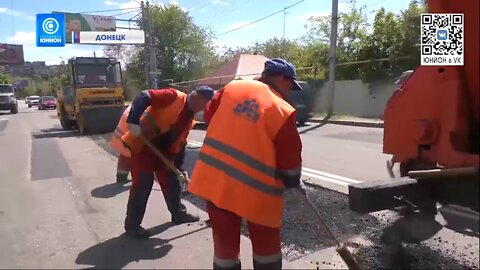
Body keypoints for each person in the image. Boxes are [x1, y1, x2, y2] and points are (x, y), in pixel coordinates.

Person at [188, 58, 304, 270]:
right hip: (257, 192)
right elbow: (290, 156)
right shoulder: (282, 109)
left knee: (225, 249)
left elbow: (210, 115)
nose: (290, 90)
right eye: (290, 84)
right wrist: (293, 181)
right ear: (281, 78)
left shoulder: (233, 87)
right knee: (266, 248)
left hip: (216, 183)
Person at [121, 85, 214, 238]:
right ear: (197, 97)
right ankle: (132, 225)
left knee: (172, 181)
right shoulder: (173, 96)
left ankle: (178, 214)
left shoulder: (189, 117)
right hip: (144, 146)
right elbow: (144, 96)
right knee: (143, 184)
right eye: (204, 105)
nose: (202, 109)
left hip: (164, 153)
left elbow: (180, 142)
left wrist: (178, 167)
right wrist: (133, 121)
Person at [109, 104, 133, 184]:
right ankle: (140, 180)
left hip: (120, 138)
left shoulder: (134, 106)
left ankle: (121, 177)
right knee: (139, 157)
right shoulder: (144, 110)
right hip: (127, 137)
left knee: (125, 156)